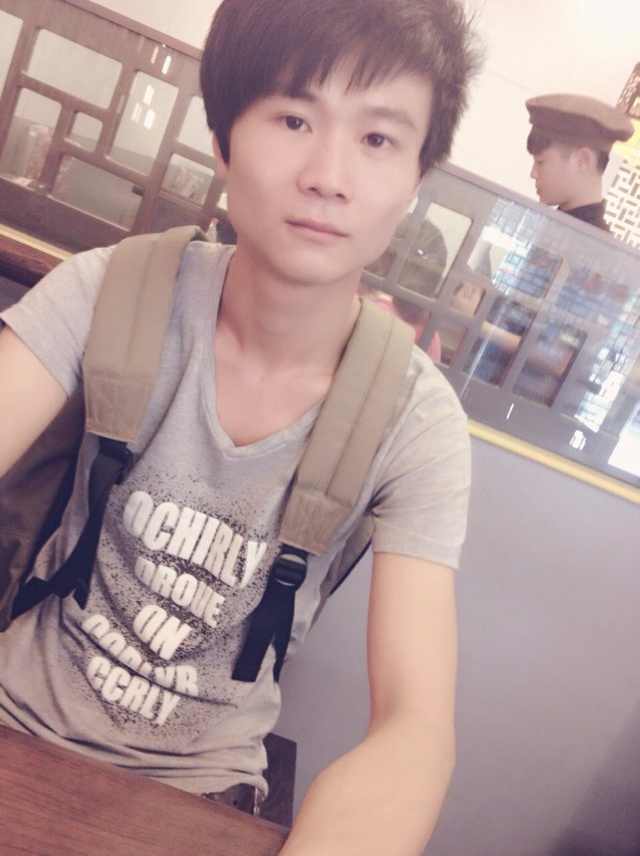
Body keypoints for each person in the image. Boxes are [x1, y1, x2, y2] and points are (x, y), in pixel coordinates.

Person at [0, 1, 479, 853]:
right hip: (15, 722)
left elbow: (415, 727)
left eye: (378, 138)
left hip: (203, 792)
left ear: (415, 180)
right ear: (223, 140)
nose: (328, 175)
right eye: (294, 118)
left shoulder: (418, 422)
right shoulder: (107, 291)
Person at [526, 93, 634, 231]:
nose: (533, 174)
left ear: (582, 160)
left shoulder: (589, 241)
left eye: (540, 162)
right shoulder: (562, 226)